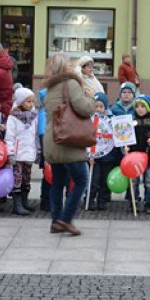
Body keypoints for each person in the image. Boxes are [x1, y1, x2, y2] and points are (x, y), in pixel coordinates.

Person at [43, 52, 94, 234]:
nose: (73, 67)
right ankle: (66, 219)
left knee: (57, 182)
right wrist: (91, 98)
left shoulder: (49, 89)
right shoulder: (70, 84)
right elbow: (84, 108)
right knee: (81, 180)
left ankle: (56, 221)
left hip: (52, 139)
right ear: (64, 67)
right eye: (70, 64)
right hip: (68, 139)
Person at [6, 87, 38, 216]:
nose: (31, 104)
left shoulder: (34, 116)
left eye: (32, 102)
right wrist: (11, 152)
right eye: (28, 102)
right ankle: (17, 205)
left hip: (29, 152)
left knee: (26, 178)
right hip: (18, 154)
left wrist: (37, 150)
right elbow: (9, 136)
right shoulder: (13, 118)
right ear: (20, 103)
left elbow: (34, 135)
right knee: (17, 179)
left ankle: (25, 202)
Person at [128, 94, 150, 214]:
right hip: (134, 157)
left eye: (143, 106)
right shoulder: (131, 121)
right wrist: (126, 146)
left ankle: (148, 203)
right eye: (137, 106)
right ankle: (134, 201)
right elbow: (125, 136)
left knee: (149, 181)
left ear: (148, 107)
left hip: (149, 157)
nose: (140, 109)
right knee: (134, 181)